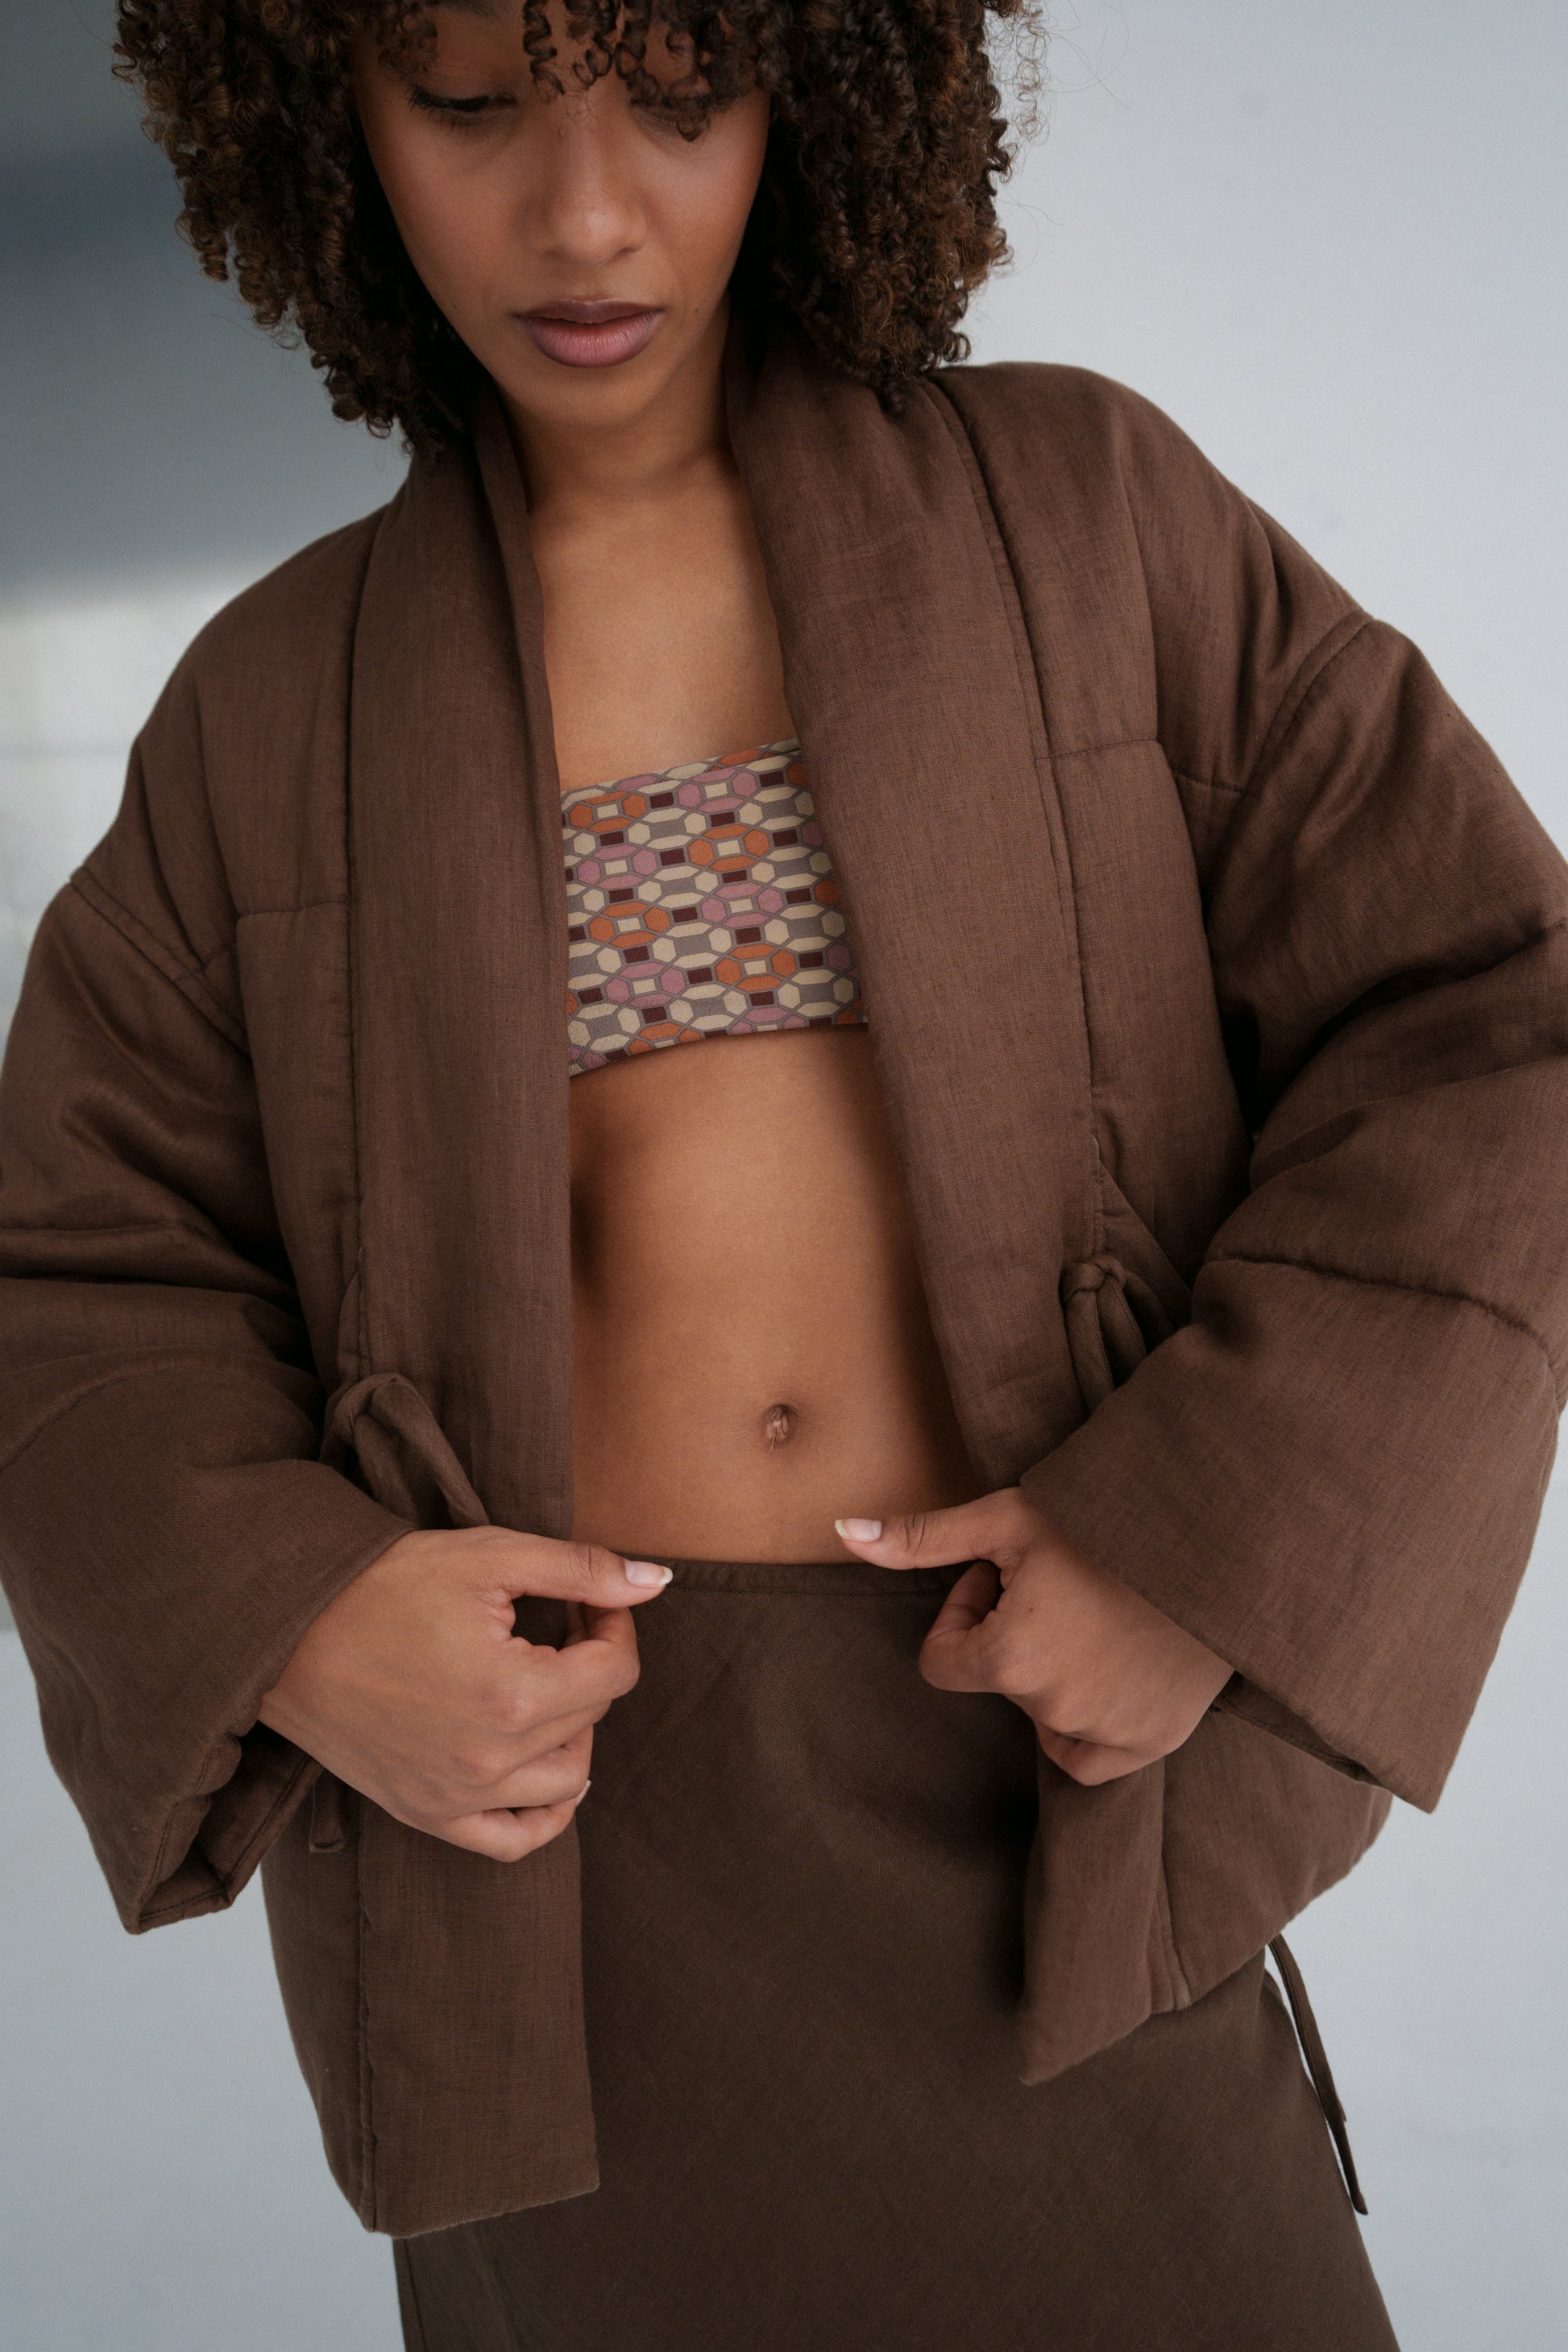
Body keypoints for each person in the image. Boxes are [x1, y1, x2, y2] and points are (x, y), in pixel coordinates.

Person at [2, 1, 1565, 2345]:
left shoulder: (1091, 515)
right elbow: (76, 1270)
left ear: (820, 96)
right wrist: (296, 1625)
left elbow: (1486, 1019)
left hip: (1046, 1777)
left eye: (678, 90)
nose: (583, 210)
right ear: (316, 124)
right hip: (546, 1865)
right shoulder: (260, 707)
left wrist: (1205, 1541)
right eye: (463, 105)